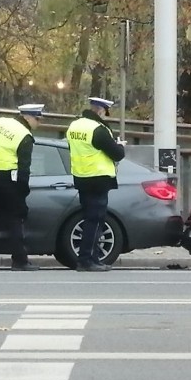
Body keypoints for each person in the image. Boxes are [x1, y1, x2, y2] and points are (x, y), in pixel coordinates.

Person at [0, 103, 44, 271]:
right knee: (15, 219)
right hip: (7, 180)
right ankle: (19, 260)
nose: (39, 123)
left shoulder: (1, 122)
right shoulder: (25, 136)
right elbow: (24, 168)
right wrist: (22, 191)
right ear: (27, 117)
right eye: (37, 119)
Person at [65, 97, 126, 271]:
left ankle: (91, 258)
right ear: (100, 110)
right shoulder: (98, 130)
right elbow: (117, 154)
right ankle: (88, 260)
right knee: (96, 220)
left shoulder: (74, 126)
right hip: (98, 179)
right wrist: (120, 145)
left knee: (88, 219)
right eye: (105, 112)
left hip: (81, 177)